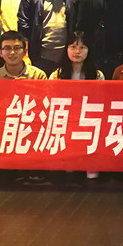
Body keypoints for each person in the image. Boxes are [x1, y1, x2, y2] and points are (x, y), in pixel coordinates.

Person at [50, 31, 104, 180]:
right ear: (66, 49)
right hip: (65, 119)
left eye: (82, 47)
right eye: (73, 47)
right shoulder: (56, 75)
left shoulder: (97, 75)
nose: (77, 51)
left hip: (88, 120)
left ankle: (90, 165)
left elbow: (100, 102)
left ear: (89, 50)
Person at [17, 0, 79, 75]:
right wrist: (25, 55)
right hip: (40, 56)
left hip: (67, 55)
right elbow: (23, 26)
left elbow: (78, 25)